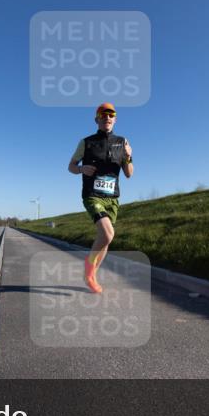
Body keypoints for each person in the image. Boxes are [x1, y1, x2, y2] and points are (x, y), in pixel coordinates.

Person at [68, 102, 133, 293]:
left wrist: (128, 157)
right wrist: (81, 168)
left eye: (111, 115)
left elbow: (129, 173)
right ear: (97, 119)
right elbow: (70, 166)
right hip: (92, 195)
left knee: (106, 239)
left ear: (115, 119)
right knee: (107, 234)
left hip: (112, 198)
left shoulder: (123, 142)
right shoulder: (86, 142)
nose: (107, 118)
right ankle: (88, 271)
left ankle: (92, 274)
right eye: (103, 115)